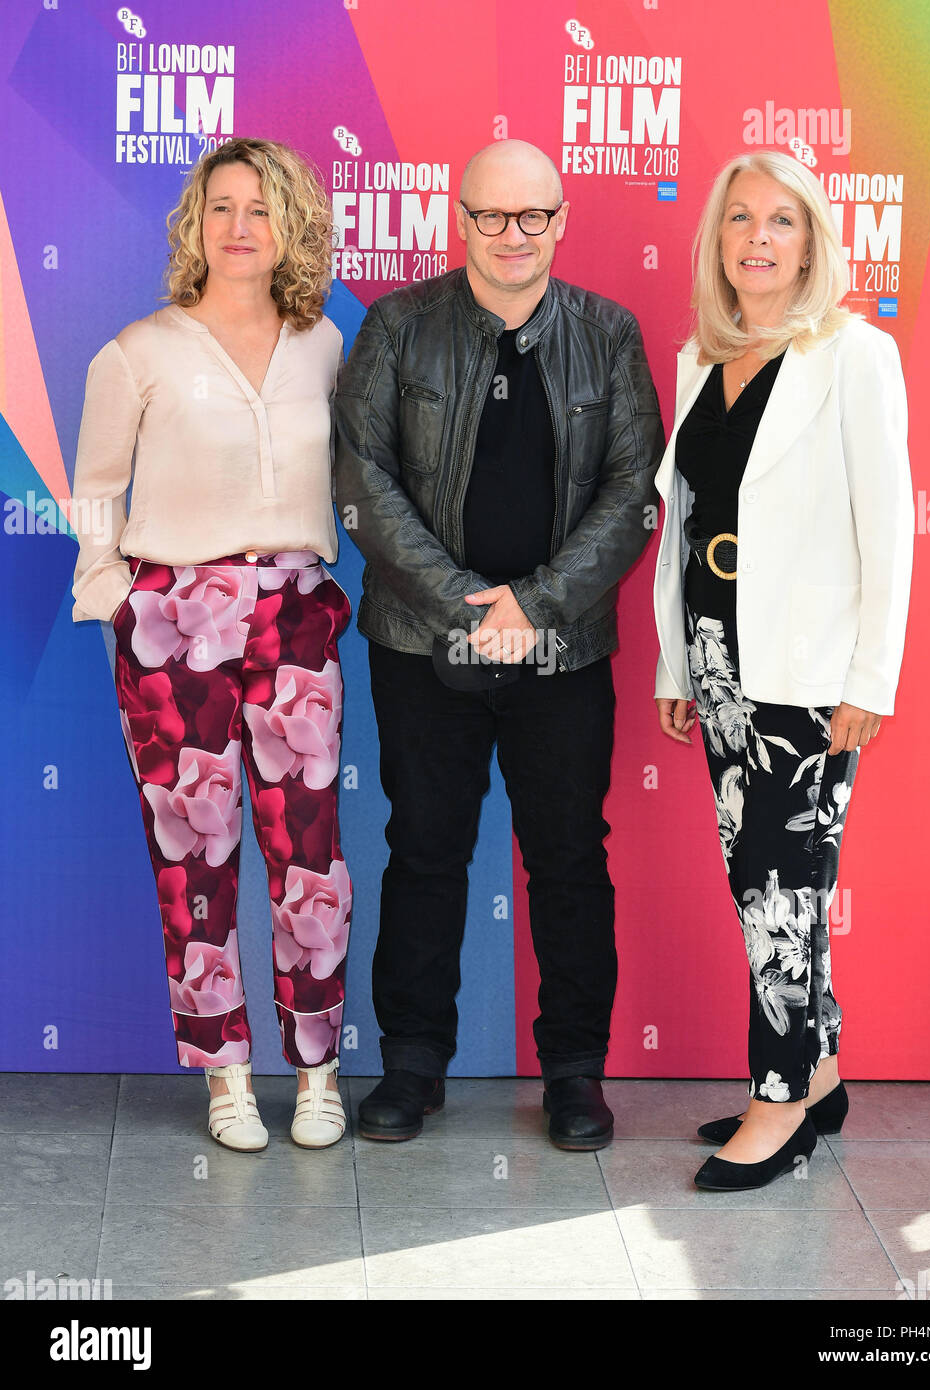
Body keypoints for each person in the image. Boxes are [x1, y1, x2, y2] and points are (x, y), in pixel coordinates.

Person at [334, 139, 663, 1150]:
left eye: (532, 218)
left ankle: (574, 1072)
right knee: (424, 850)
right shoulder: (396, 326)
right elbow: (362, 481)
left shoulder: (608, 334)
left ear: (561, 222)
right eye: (490, 216)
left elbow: (631, 492)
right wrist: (464, 606)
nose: (511, 236)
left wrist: (538, 605)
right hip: (419, 647)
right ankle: (412, 1064)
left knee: (567, 859)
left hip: (561, 656)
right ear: (457, 217)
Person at [70, 138, 353, 1152]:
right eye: (221, 206)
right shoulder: (138, 350)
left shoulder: (322, 343)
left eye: (261, 208)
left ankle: (317, 1067)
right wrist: (114, 595)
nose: (240, 226)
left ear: (292, 228)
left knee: (307, 852)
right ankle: (224, 1069)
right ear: (194, 225)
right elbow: (97, 484)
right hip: (173, 617)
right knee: (194, 854)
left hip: (296, 607)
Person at [652, 150, 913, 1190]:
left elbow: (885, 529)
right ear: (716, 240)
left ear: (811, 242)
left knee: (778, 892)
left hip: (806, 671)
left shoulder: (854, 355)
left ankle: (778, 1097)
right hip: (720, 653)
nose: (758, 239)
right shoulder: (697, 359)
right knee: (769, 883)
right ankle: (823, 1072)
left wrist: (871, 678)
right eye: (740, 220)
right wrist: (681, 658)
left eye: (783, 222)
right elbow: (684, 525)